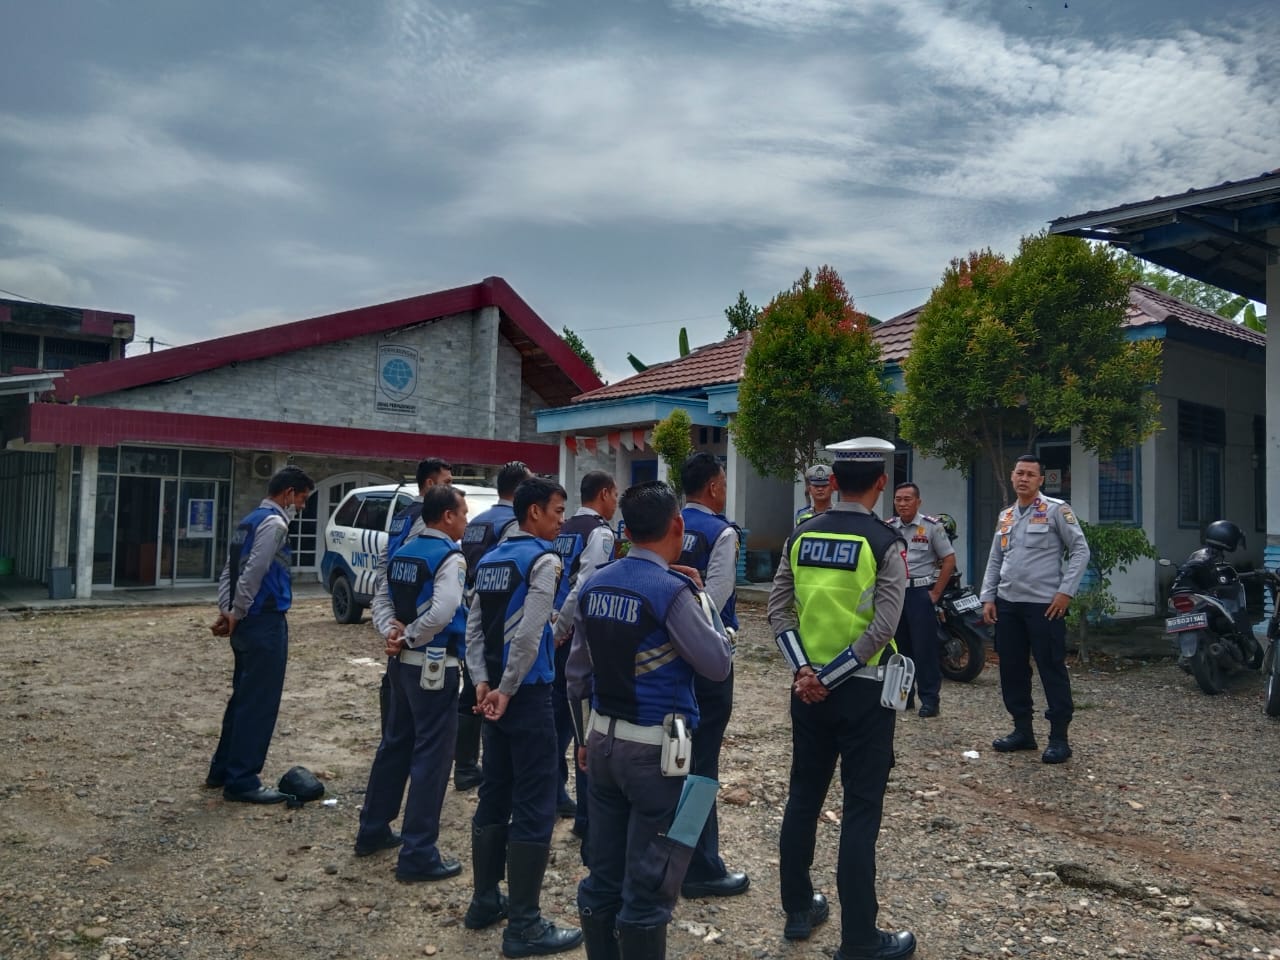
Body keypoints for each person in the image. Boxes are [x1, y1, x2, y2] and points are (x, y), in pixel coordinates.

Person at [566, 480, 735, 960]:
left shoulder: (595, 584)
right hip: (657, 755)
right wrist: (703, 601)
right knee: (650, 885)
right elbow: (717, 663)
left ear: (626, 529)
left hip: (600, 743)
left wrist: (581, 738)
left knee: (603, 873)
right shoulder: (673, 591)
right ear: (676, 526)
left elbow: (576, 675)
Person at [768, 436, 917, 960]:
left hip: (807, 693)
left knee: (803, 798)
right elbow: (884, 626)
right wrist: (832, 675)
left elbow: (778, 612)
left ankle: (797, 910)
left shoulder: (801, 537)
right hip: (864, 694)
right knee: (859, 811)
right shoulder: (884, 543)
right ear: (880, 483)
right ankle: (859, 938)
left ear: (832, 482)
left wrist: (805, 671)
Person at [463, 477, 583, 958]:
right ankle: (525, 924)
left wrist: (482, 683)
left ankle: (484, 899)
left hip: (493, 693)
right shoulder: (543, 560)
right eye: (556, 510)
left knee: (495, 790)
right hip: (526, 697)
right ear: (533, 512)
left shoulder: (490, 559)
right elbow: (533, 634)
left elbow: (474, 631)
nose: (560, 519)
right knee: (534, 803)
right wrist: (509, 689)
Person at [355, 484, 469, 880]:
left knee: (395, 745)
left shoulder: (404, 551)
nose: (467, 522)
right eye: (464, 514)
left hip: (400, 664)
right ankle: (419, 852)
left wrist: (392, 633)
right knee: (432, 758)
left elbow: (380, 600)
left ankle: (372, 828)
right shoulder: (450, 557)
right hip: (434, 664)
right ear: (448, 517)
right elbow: (445, 610)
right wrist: (409, 634)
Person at [207, 465, 315, 804]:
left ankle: (222, 770)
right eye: (301, 499)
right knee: (259, 703)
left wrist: (226, 610)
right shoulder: (275, 523)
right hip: (263, 622)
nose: (302, 507)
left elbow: (230, 569)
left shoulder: (248, 521)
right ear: (287, 494)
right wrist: (236, 613)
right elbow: (253, 572)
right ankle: (243, 780)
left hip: (245, 622)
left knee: (242, 698)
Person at [980, 454, 1090, 765]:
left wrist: (1065, 592)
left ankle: (1059, 738)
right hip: (1008, 605)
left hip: (1045, 606)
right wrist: (988, 597)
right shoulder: (1006, 516)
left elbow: (1081, 550)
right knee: (1012, 669)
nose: (1023, 478)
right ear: (1012, 477)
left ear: (1041, 480)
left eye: (1030, 474)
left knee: (1051, 669)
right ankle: (1022, 731)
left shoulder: (1057, 510)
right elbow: (995, 560)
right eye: (1019, 473)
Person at [675, 452, 749, 899]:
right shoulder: (721, 532)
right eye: (723, 481)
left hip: (665, 658)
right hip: (706, 659)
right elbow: (715, 597)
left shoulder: (669, 524)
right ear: (714, 486)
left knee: (671, 760)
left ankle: (668, 855)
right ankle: (699, 865)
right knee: (702, 765)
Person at [454, 460, 534, 791]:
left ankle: (465, 764)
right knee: (499, 690)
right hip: (503, 616)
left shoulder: (478, 521)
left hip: (472, 607)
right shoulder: (512, 525)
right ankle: (490, 767)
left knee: (472, 685)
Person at [551, 471, 619, 836]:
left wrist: (553, 626)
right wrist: (563, 629)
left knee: (558, 722)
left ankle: (555, 794)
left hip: (555, 629)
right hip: (575, 635)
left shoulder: (563, 525)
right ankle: (586, 818)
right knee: (583, 728)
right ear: (604, 494)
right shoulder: (600, 533)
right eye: (615, 495)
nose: (616, 502)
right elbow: (586, 586)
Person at [373, 457, 453, 734]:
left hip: (395, 601)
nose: (450, 491)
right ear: (430, 484)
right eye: (447, 483)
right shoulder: (424, 519)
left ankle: (393, 733)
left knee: (395, 674)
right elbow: (411, 558)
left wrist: (385, 609)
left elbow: (385, 562)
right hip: (416, 605)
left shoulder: (401, 514)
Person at [888, 482, 956, 718]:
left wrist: (936, 593)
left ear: (918, 502)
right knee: (899, 646)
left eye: (907, 499)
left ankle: (929, 699)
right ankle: (902, 697)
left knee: (924, 648)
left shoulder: (931, 527)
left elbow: (949, 559)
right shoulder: (889, 527)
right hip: (896, 594)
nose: (902, 504)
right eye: (898, 499)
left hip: (920, 593)